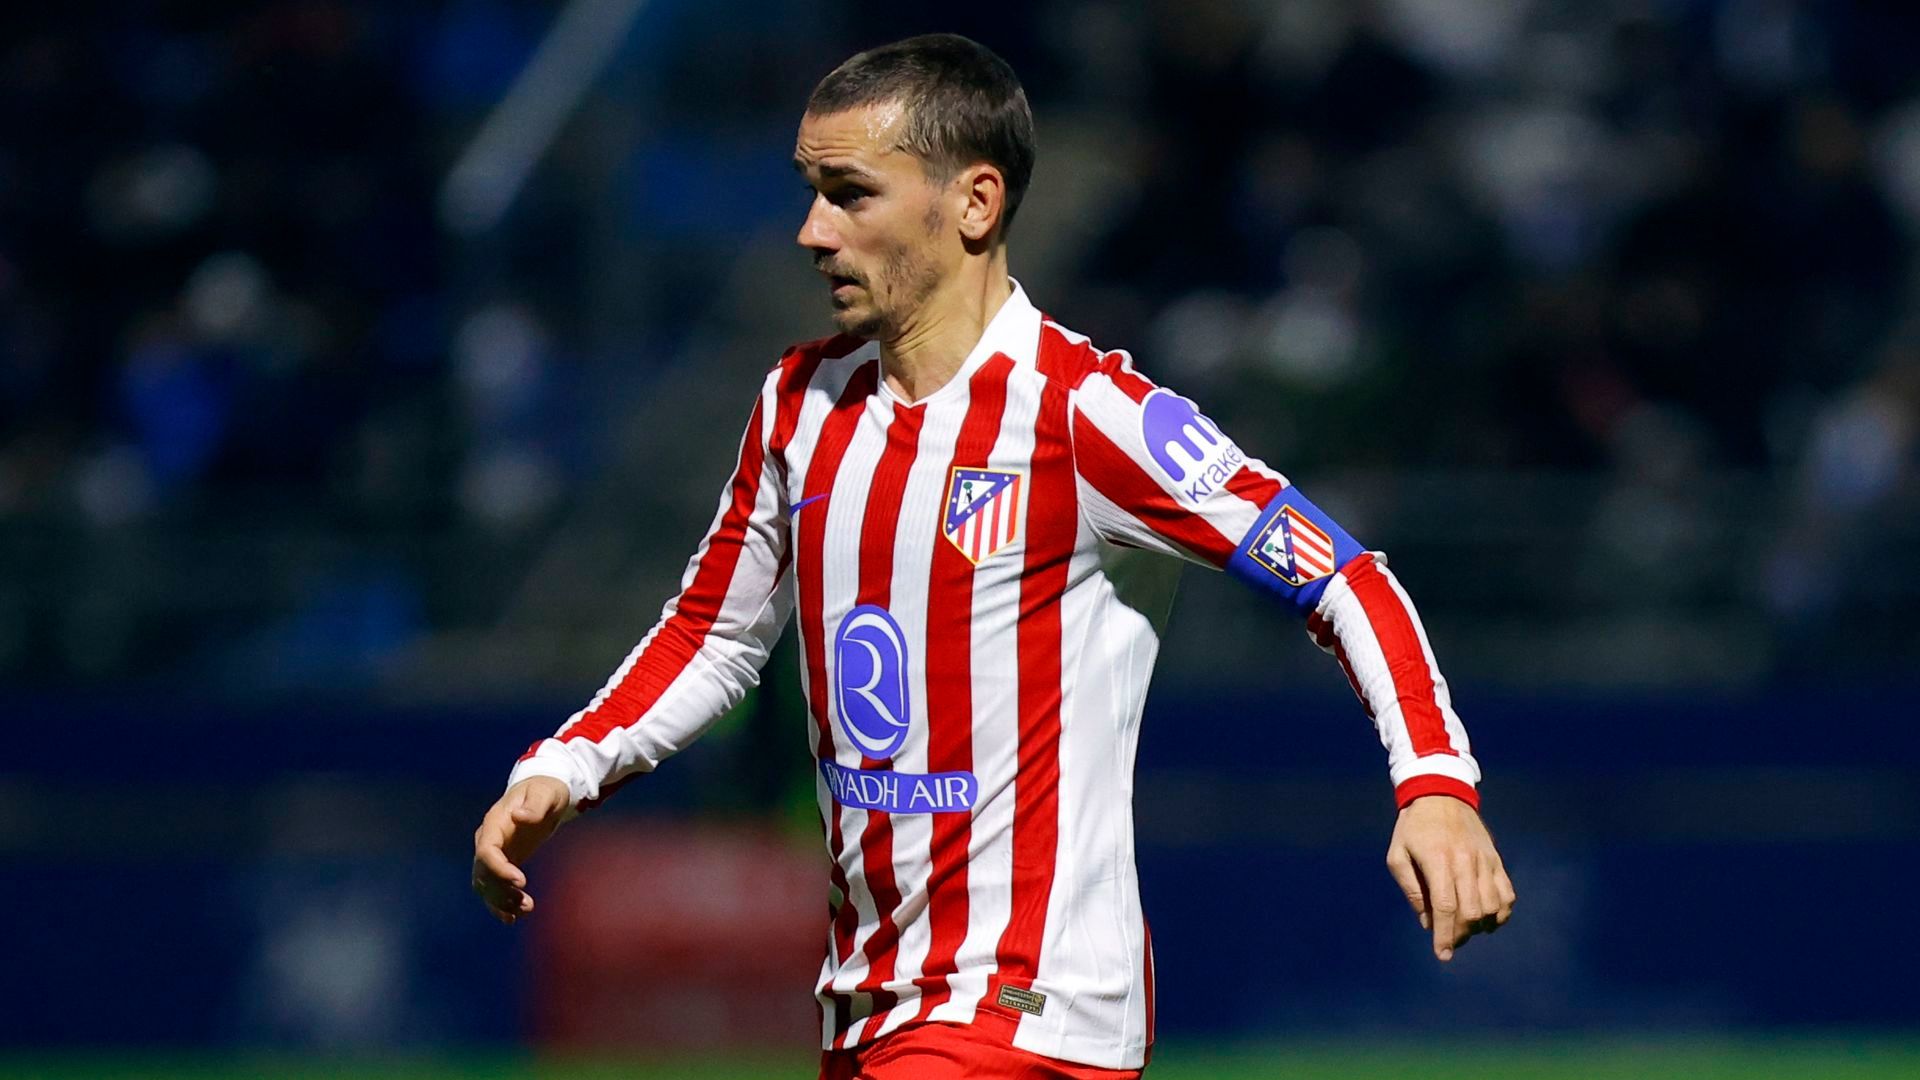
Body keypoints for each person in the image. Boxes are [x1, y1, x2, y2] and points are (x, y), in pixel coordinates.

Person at [471, 32, 1515, 1079]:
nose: (810, 232)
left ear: (973, 204)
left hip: (1025, 1006)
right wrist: (565, 766)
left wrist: (1434, 781)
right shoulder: (801, 404)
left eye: (850, 194)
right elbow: (715, 633)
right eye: (811, 191)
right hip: (868, 1003)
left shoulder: (1088, 416)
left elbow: (1340, 573)